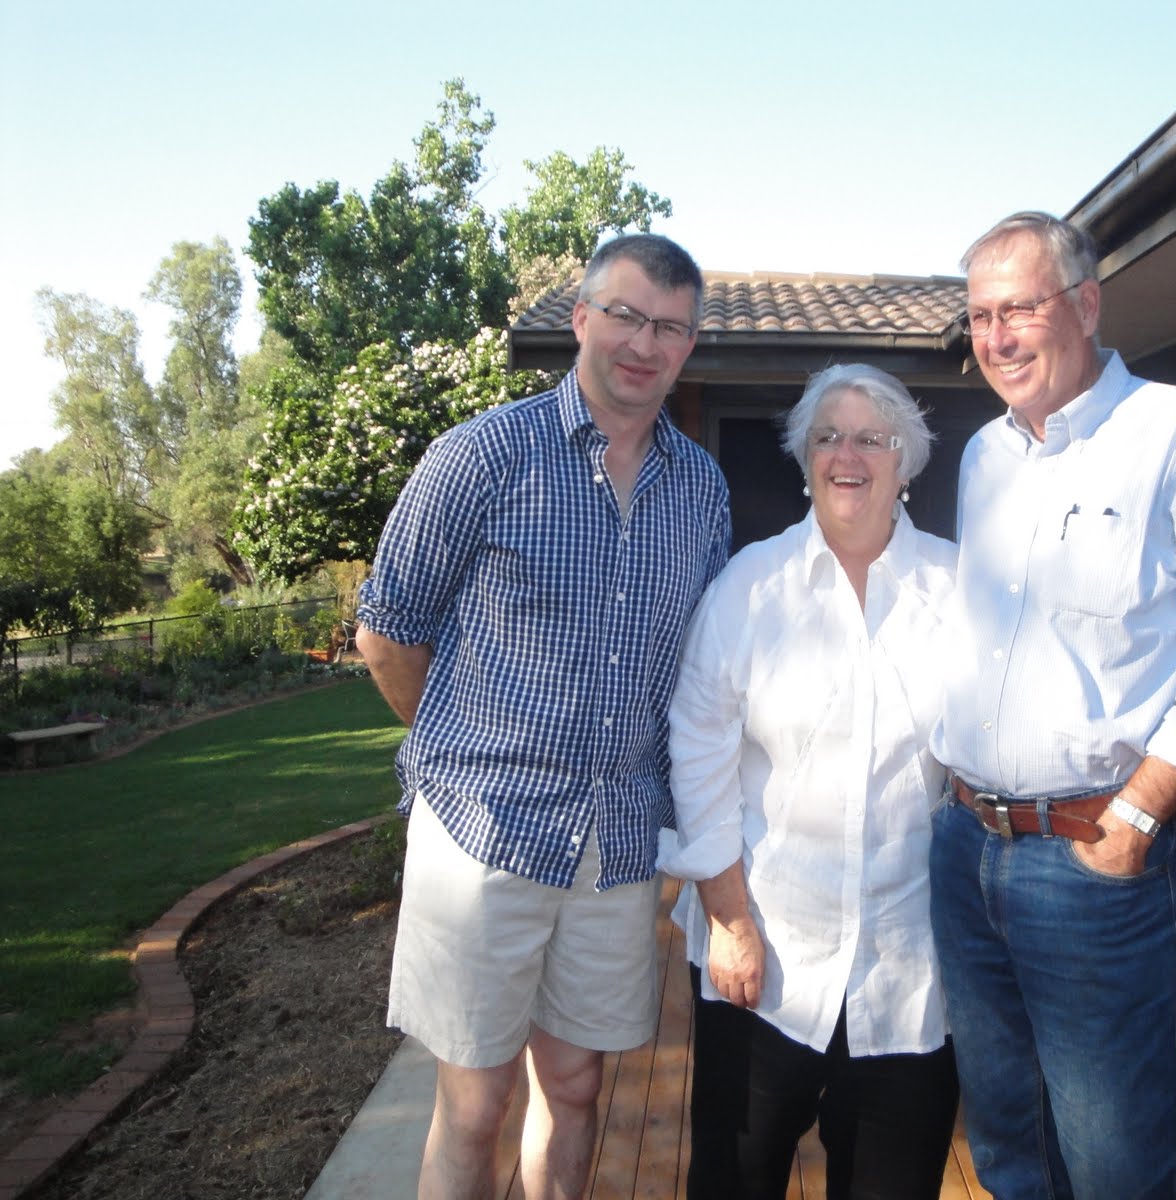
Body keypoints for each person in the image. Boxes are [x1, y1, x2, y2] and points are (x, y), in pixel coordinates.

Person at [354, 233, 730, 1200]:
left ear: (691, 346)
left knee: (575, 1083)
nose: (646, 344)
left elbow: (702, 666)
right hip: (481, 832)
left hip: (615, 841)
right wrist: (460, 759)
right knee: (475, 1106)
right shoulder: (482, 455)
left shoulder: (701, 489)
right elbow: (387, 633)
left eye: (673, 328)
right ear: (582, 320)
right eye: (628, 316)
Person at [929, 211, 1176, 1200]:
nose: (995, 337)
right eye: (978, 316)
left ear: (1084, 305)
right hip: (966, 849)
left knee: (1116, 1161)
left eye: (1018, 310)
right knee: (1007, 1144)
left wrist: (1144, 811)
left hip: (1093, 867)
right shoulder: (984, 460)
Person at [661, 363, 961, 1200]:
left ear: (907, 461)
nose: (848, 454)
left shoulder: (960, 590)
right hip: (763, 958)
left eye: (874, 437)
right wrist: (727, 921)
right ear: (803, 457)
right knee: (733, 1182)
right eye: (829, 435)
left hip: (909, 969)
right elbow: (699, 754)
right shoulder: (749, 587)